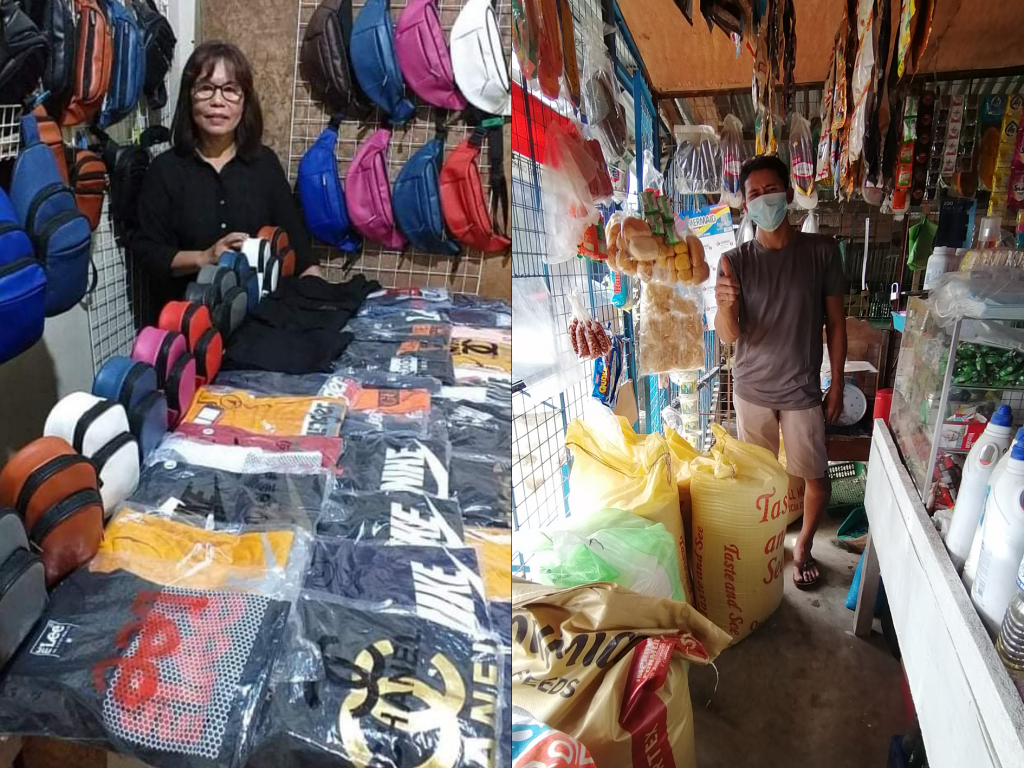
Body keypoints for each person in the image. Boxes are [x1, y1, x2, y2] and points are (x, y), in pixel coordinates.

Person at [714, 155, 847, 590]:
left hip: (802, 389)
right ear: (745, 206)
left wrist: (838, 383)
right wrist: (723, 304)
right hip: (752, 391)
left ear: (788, 195)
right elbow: (728, 336)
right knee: (758, 480)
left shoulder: (822, 252)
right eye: (754, 194)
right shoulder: (734, 262)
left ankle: (804, 545)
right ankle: (766, 543)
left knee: (816, 478)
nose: (764, 200)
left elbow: (836, 324)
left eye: (771, 191)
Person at [132, 41, 321, 326]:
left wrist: (318, 299)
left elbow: (297, 245)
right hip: (191, 328)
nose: (217, 101)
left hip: (262, 321)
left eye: (230, 90)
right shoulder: (165, 170)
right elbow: (148, 252)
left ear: (245, 101)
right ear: (189, 97)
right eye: (205, 88)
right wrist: (203, 257)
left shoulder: (264, 164)